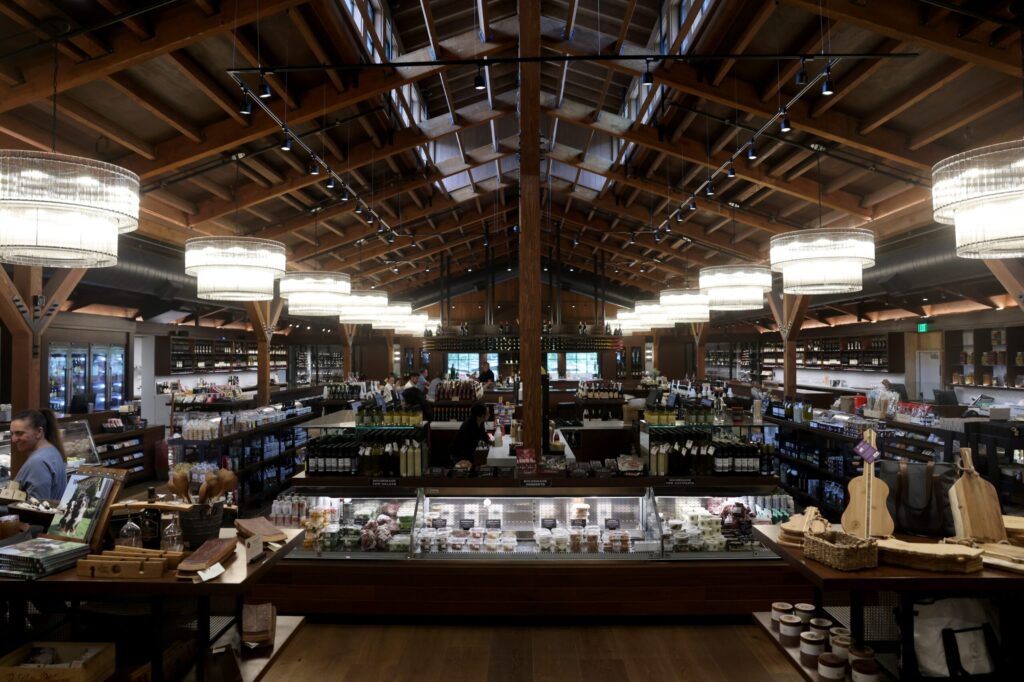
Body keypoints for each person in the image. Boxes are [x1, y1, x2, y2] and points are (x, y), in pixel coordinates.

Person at [11, 409, 67, 501]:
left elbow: (37, 508)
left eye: (19, 433)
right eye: (12, 434)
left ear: (39, 432)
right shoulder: (52, 451)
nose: (14, 439)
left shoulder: (38, 463)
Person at [450, 402, 488, 468]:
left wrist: (492, 443)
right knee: (464, 475)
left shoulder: (480, 422)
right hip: (459, 455)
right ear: (479, 416)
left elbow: (484, 436)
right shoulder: (468, 427)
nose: (489, 415)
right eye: (487, 413)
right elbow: (465, 447)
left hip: (469, 453)